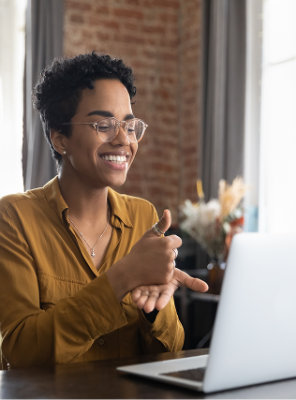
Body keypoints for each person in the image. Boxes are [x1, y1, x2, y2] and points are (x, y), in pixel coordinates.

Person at [0, 53, 208, 369]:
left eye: (129, 124)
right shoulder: (14, 217)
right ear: (60, 138)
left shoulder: (143, 217)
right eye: (104, 124)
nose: (124, 139)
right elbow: (21, 351)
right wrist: (121, 278)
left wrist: (156, 308)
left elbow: (172, 348)